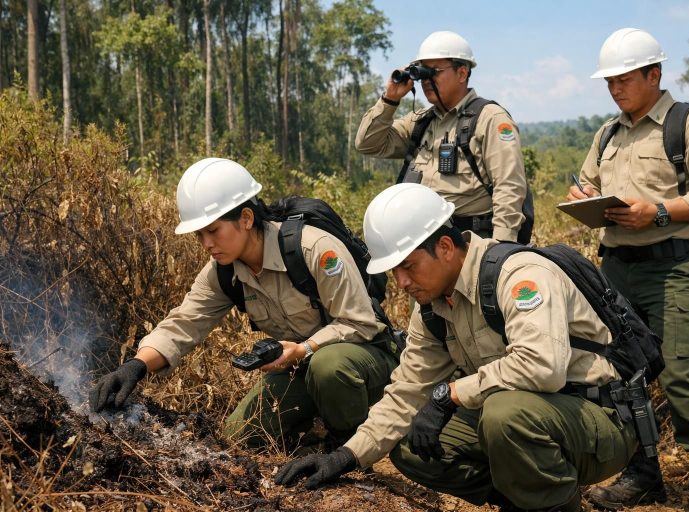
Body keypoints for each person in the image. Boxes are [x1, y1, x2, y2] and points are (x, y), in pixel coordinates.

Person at [275, 183, 638, 512]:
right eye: (394, 272)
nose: (402, 282)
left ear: (446, 247)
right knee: (409, 443)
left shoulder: (519, 275)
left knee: (504, 414)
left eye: (408, 266)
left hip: (597, 421)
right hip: (528, 420)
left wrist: (450, 394)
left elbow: (541, 367)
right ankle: (525, 499)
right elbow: (407, 392)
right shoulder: (432, 305)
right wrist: (346, 455)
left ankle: (554, 505)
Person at [89, 157, 398, 450]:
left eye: (213, 230)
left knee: (328, 366)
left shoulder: (314, 248)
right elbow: (184, 322)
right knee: (240, 434)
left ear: (246, 218)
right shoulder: (223, 272)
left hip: (363, 357)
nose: (206, 243)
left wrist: (305, 349)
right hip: (299, 367)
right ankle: (311, 432)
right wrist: (137, 365)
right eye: (199, 235)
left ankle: (348, 441)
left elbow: (359, 322)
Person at [566, 28, 689, 512]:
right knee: (621, 376)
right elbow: (587, 182)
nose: (615, 89)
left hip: (674, 269)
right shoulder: (608, 133)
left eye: (624, 79)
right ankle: (642, 474)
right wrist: (583, 196)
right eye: (609, 82)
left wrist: (659, 212)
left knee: (682, 374)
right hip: (616, 271)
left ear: (654, 74)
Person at [355, 31, 528, 241]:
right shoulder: (420, 122)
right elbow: (367, 144)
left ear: (462, 73)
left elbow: (509, 186)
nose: (426, 80)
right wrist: (390, 99)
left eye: (434, 71)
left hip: (469, 243)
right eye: (422, 72)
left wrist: (501, 245)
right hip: (422, 242)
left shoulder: (489, 119)